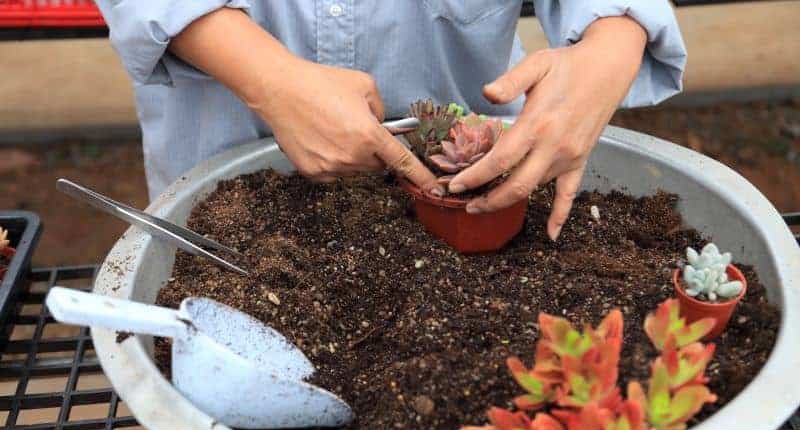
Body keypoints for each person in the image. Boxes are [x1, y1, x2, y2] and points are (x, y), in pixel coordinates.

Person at [97, 1, 685, 240]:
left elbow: (615, 28)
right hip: (224, 165)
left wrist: (613, 43)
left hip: (490, 197)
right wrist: (269, 80)